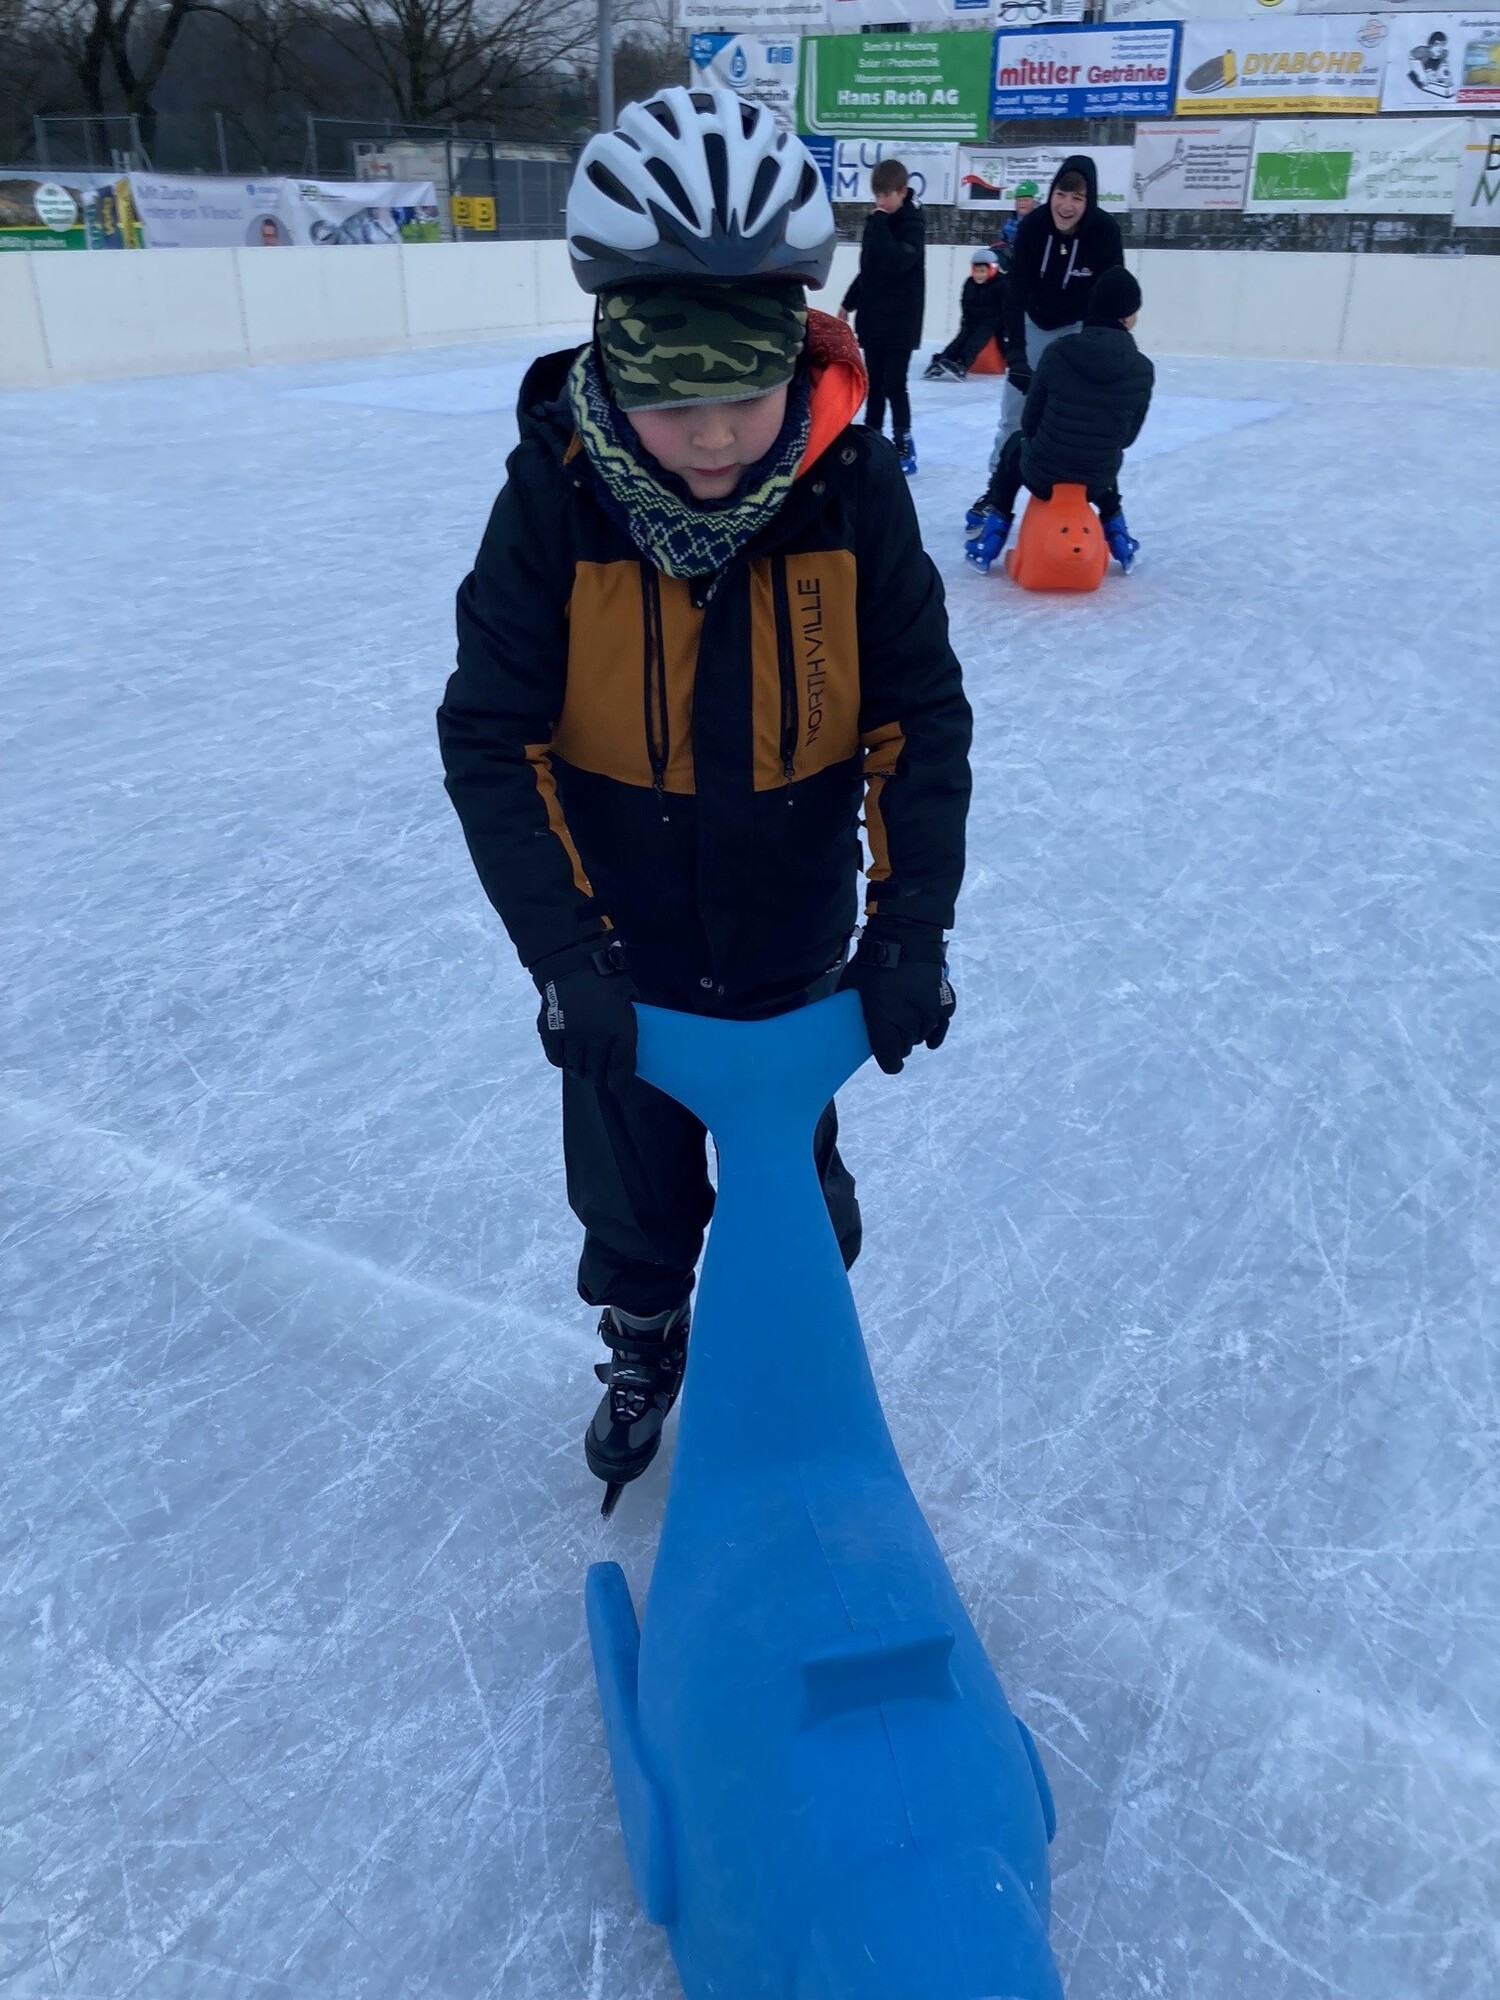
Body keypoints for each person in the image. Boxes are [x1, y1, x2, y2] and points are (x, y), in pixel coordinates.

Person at [437, 88, 972, 1516]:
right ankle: (644, 1338)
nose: (719, 437)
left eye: (745, 392)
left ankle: (782, 1353)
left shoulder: (849, 492)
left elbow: (917, 719)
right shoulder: (555, 500)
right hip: (624, 956)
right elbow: (490, 737)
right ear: (616, 365)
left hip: (797, 947)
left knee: (798, 1201)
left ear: (797, 356)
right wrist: (567, 963)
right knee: (634, 1202)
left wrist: (911, 930)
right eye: (676, 402)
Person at [964, 266, 1154, 576]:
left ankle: (991, 539)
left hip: (1044, 473)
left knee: (1014, 447)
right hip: (1096, 481)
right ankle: (1119, 537)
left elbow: (1030, 421)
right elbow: (1127, 438)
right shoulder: (1142, 369)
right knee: (1103, 451)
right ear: (1129, 316)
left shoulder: (1058, 352)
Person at [985, 156, 1124, 476]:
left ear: (1089, 202)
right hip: (1034, 323)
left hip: (1079, 328)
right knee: (1014, 415)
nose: (1066, 205)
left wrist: (1099, 348)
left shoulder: (1104, 232)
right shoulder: (1033, 228)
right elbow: (1015, 293)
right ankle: (996, 488)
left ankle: (1077, 495)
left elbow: (1113, 294)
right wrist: (1017, 354)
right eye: (1061, 194)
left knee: (1077, 417)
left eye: (1077, 198)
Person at [838, 157, 925, 476]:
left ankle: (903, 441)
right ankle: (872, 438)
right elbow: (870, 270)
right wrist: (849, 302)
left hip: (901, 319)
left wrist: (878, 224)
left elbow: (896, 262)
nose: (880, 202)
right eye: (877, 196)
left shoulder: (913, 226)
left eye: (886, 196)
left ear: (903, 193)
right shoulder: (877, 223)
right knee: (874, 384)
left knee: (895, 384)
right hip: (874, 318)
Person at [923, 249, 1007, 381]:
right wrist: (967, 318)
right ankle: (942, 360)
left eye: (983, 271)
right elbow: (965, 301)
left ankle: (963, 364)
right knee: (959, 341)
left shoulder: (1001, 284)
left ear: (992, 270)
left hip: (991, 323)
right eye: (976, 271)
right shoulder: (970, 283)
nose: (979, 275)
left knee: (975, 342)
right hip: (972, 320)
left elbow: (1004, 308)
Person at [991, 180, 1039, 275]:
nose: (1022, 203)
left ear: (1034, 202)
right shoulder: (1010, 221)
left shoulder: (1040, 221)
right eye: (1019, 200)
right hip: (1011, 264)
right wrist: (1000, 248)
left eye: (1025, 200)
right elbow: (1001, 240)